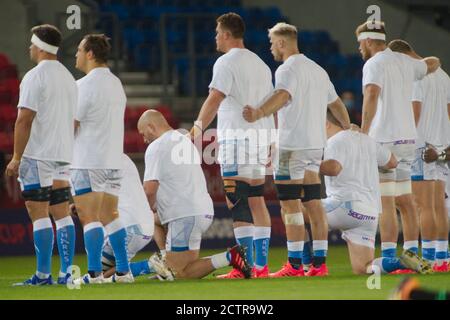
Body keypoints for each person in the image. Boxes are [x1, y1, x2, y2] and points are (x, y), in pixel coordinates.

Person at [243, 22, 350, 276]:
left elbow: (282, 95)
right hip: (315, 147)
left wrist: (258, 112)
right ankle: (319, 265)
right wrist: (347, 127)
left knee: (289, 206)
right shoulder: (318, 70)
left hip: (291, 147)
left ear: (282, 42)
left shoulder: (287, 69)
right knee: (313, 204)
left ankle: (293, 265)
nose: (271, 48)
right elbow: (336, 105)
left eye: (272, 43)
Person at [189, 12, 275, 278]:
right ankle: (260, 267)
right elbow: (271, 103)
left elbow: (215, 98)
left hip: (237, 138)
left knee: (237, 200)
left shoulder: (226, 62)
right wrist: (272, 137)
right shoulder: (260, 63)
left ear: (226, 34)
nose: (215, 38)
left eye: (217, 33)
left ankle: (245, 267)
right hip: (260, 136)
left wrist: (198, 126)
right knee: (257, 200)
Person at [355, 21, 440, 263]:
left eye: (360, 42)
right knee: (406, 200)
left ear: (369, 41)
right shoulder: (405, 62)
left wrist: (363, 132)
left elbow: (371, 95)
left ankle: (391, 257)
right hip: (407, 141)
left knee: (386, 201)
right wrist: (419, 61)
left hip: (385, 140)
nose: (359, 48)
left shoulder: (373, 64)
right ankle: (411, 254)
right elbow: (434, 63)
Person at [138, 110, 252, 279]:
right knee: (157, 224)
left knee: (179, 274)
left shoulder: (157, 147)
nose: (143, 139)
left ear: (151, 127)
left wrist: (140, 213)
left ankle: (229, 257)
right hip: (199, 211)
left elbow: (149, 190)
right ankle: (166, 261)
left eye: (143, 133)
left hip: (183, 216)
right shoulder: (184, 141)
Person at [6, 24, 78, 285]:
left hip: (37, 154)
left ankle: (43, 274)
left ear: (39, 46)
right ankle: (67, 272)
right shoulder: (68, 77)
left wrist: (16, 157)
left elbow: (24, 119)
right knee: (61, 212)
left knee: (38, 213)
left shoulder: (35, 77)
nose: (29, 47)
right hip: (63, 153)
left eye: (32, 43)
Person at [321, 110, 432, 275]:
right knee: (364, 267)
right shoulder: (367, 140)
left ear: (326, 124)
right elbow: (392, 162)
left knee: (300, 212)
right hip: (369, 213)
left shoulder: (334, 141)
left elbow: (334, 168)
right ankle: (401, 262)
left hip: (344, 205)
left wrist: (308, 163)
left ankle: (310, 266)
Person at [71, 34, 132, 284]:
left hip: (88, 159)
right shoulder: (116, 83)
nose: (75, 54)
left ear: (90, 54)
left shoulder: (83, 85)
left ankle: (94, 274)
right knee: (111, 215)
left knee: (89, 217)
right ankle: (124, 271)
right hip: (113, 160)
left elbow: (70, 125)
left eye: (79, 49)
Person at [389, 39, 450, 272]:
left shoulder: (415, 77)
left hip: (421, 147)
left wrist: (403, 143)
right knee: (437, 206)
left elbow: (413, 114)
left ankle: (431, 258)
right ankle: (442, 257)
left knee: (422, 206)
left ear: (401, 57)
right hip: (441, 147)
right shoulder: (443, 76)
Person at [101, 154, 156, 279]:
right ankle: (151, 265)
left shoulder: (95, 161)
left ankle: (150, 265)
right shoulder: (124, 158)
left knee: (97, 276)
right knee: (109, 274)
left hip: (127, 228)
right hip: (145, 226)